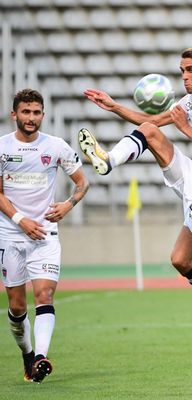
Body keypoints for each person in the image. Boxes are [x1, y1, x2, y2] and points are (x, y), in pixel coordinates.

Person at [78, 47, 192, 340]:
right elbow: (152, 122)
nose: (184, 76)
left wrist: (182, 126)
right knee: (149, 129)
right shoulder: (189, 102)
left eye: (190, 70)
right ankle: (108, 161)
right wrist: (114, 106)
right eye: (182, 71)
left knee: (180, 259)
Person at [1, 89, 89, 382]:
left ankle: (40, 357)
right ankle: (27, 354)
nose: (31, 118)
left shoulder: (56, 146)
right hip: (10, 234)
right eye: (26, 112)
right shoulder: (2, 148)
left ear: (43, 115)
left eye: (37, 112)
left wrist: (69, 204)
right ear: (14, 114)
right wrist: (20, 219)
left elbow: (81, 182)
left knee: (45, 294)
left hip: (45, 234)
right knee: (16, 307)